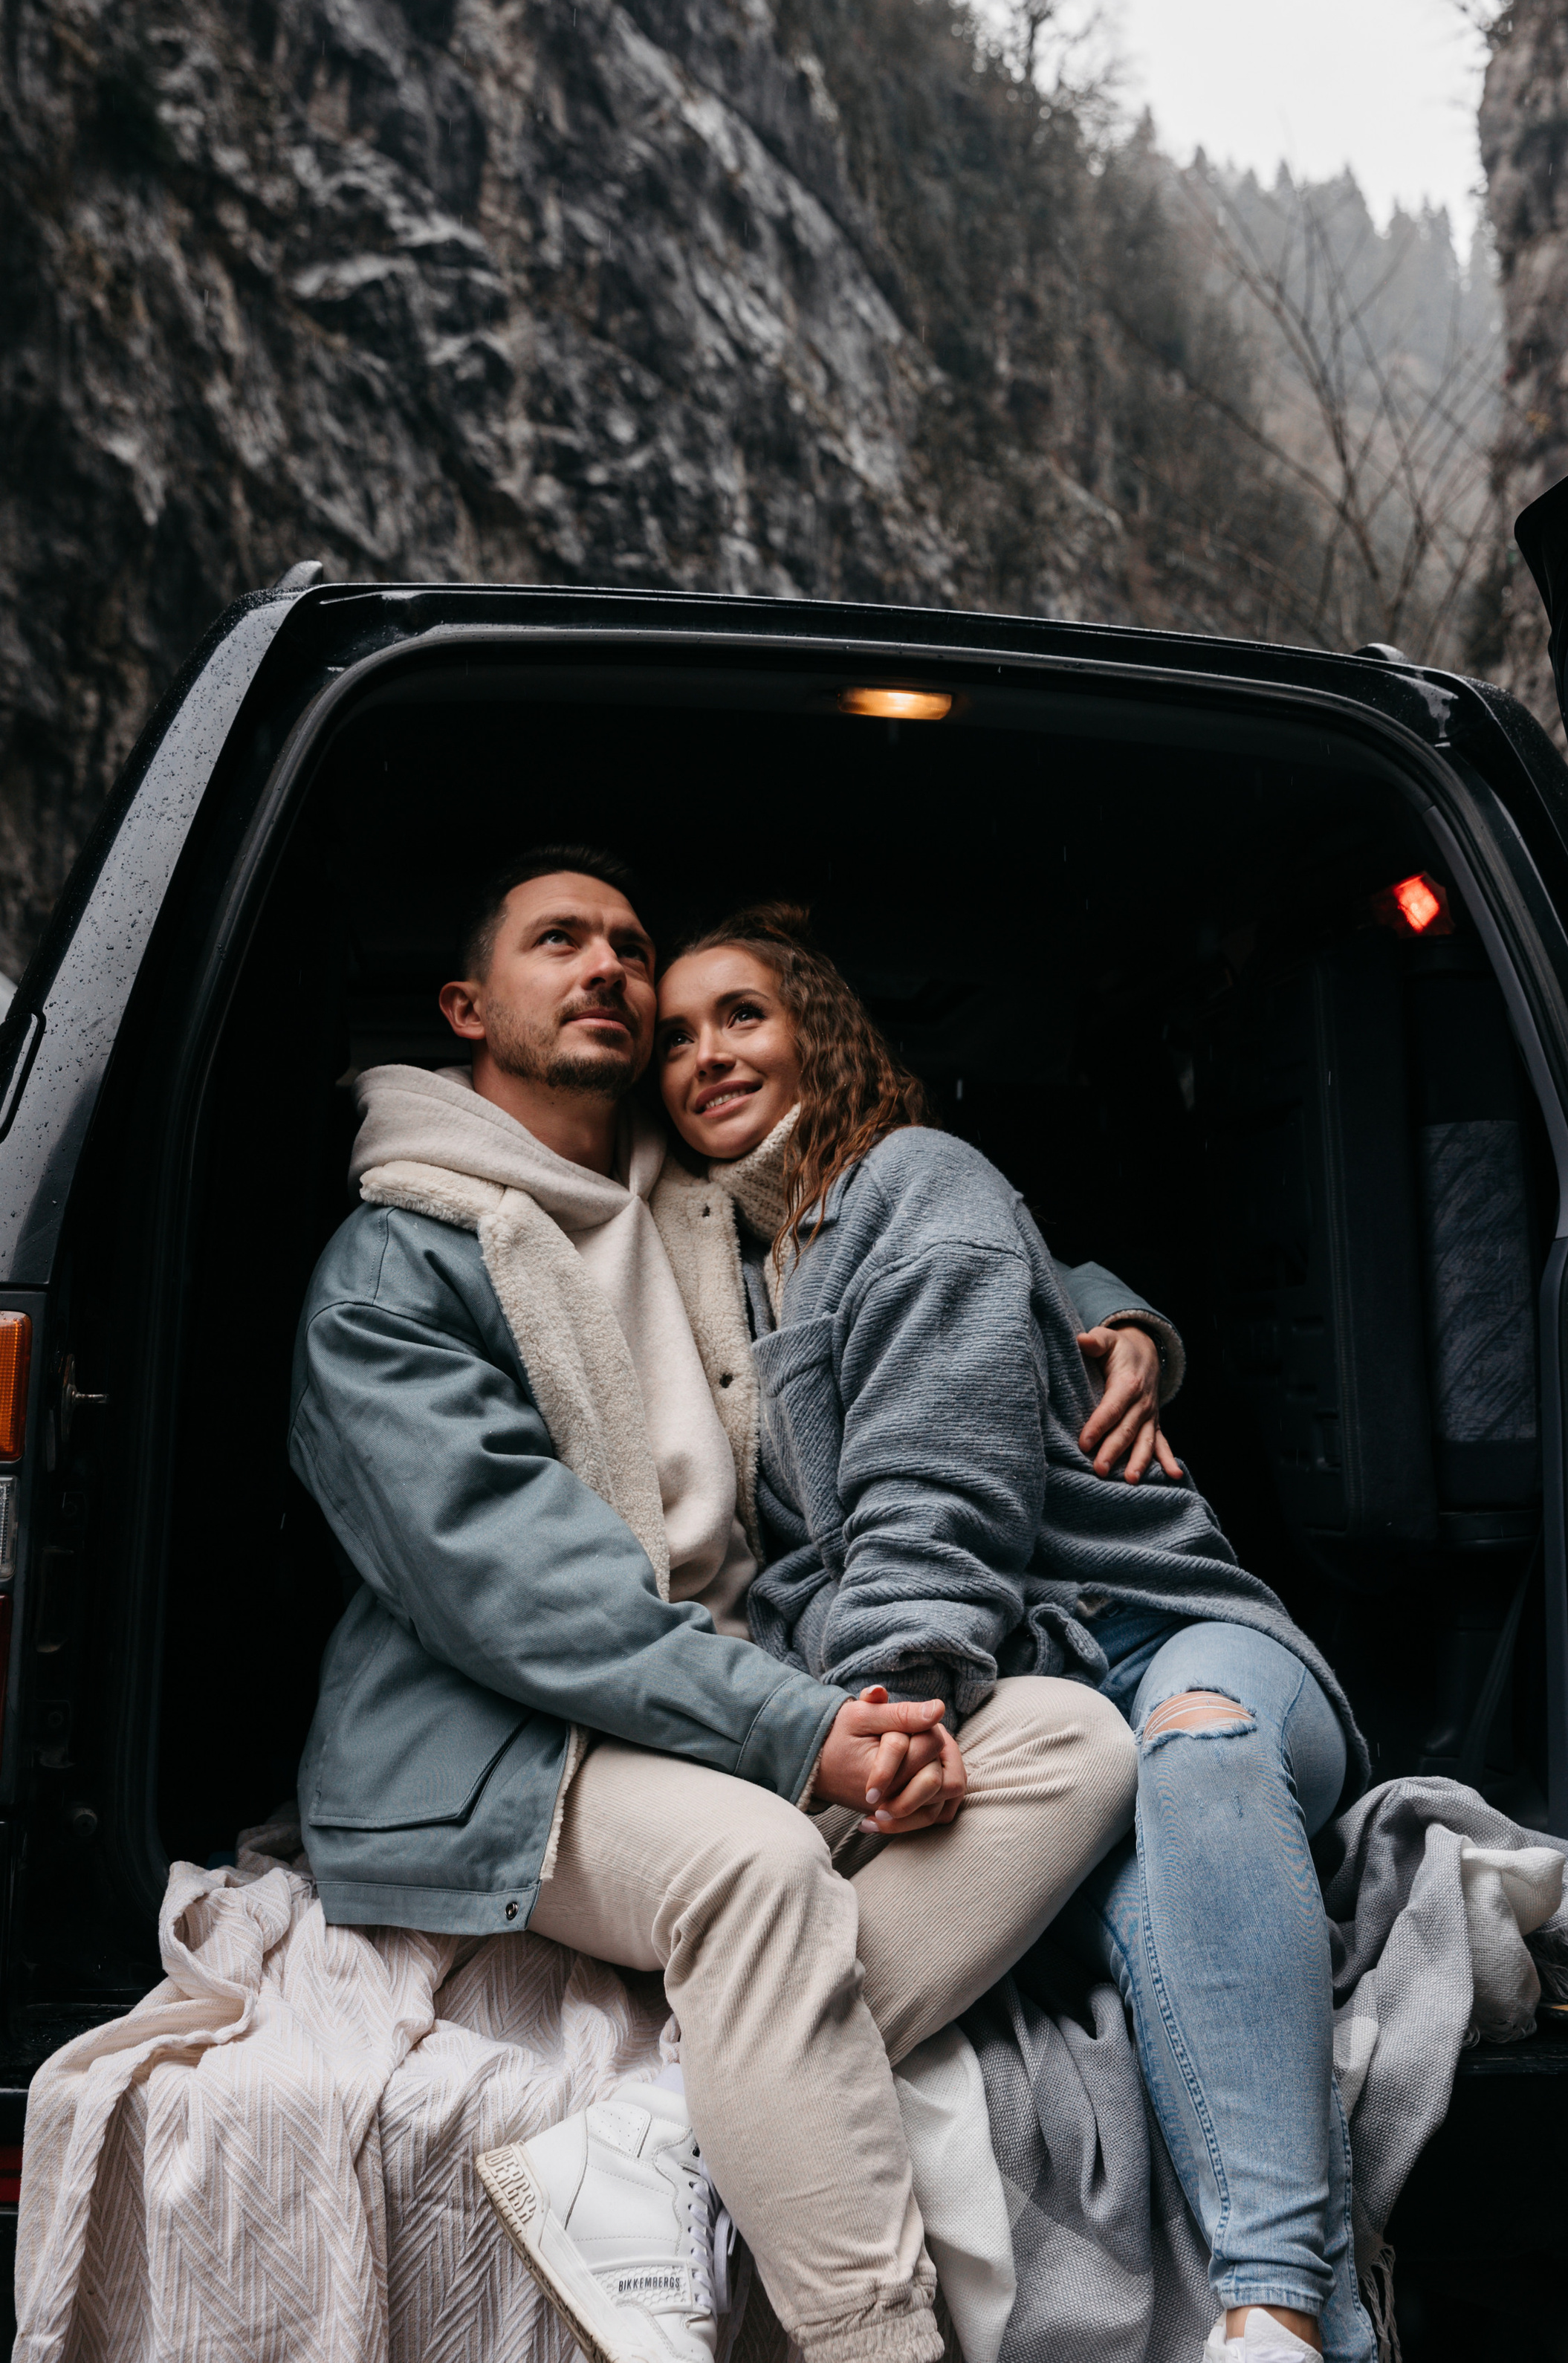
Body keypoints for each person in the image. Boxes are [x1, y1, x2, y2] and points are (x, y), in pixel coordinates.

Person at [289, 849, 1167, 2363]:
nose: (610, 966)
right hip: (503, 1740)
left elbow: (910, 1210)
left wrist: (1109, 1313)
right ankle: (876, 2343)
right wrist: (811, 1735)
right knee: (758, 1867)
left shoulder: (686, 1200)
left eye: (629, 944)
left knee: (1073, 1739)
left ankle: (658, 2128)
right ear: (467, 1008)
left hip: (742, 1693)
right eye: (559, 941)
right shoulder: (395, 1261)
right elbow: (520, 1595)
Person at [652, 905, 1379, 2363]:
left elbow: (936, 1479)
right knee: (1129, 1907)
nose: (705, 1052)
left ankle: (1283, 2309)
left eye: (740, 1012)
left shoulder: (911, 1180)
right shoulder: (726, 1277)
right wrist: (1106, 1311)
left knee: (1195, 1752)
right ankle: (1292, 2336)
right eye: (672, 1036)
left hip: (1161, 1632)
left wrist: (894, 1696)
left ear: (820, 1030)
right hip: (1034, 1706)